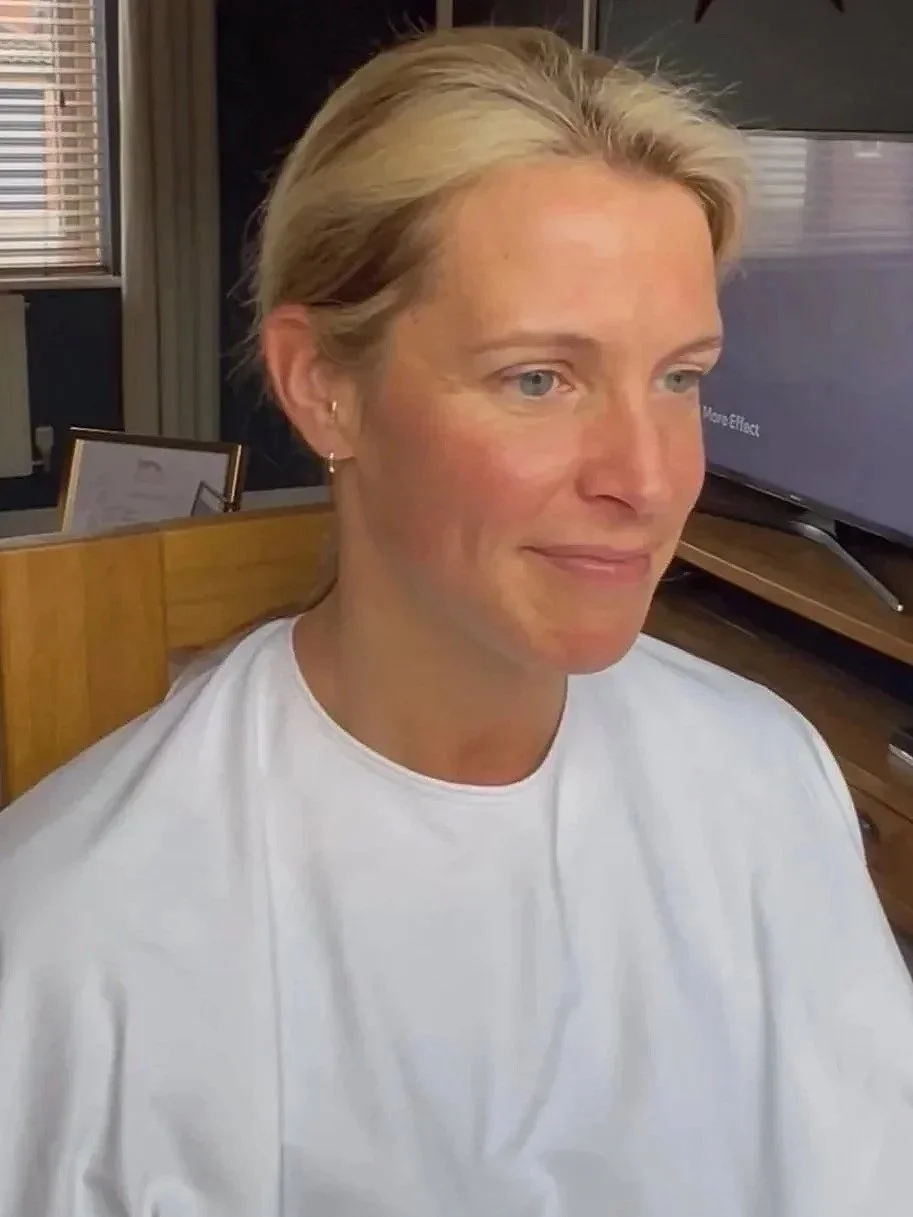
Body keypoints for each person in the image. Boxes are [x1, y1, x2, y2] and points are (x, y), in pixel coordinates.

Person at [1, 25, 912, 1217]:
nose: (647, 480)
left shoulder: (765, 776)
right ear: (323, 385)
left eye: (679, 377)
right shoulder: (77, 947)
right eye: (539, 378)